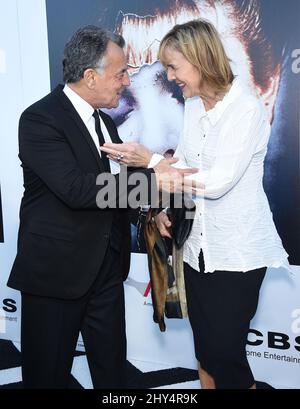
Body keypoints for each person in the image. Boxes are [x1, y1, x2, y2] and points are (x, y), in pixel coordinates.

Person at [100, 19, 290, 389]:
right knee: (205, 348)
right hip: (197, 249)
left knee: (224, 353)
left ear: (200, 59)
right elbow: (185, 167)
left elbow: (217, 182)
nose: (171, 76)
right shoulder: (192, 107)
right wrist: (167, 210)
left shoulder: (245, 108)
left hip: (237, 253)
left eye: (173, 67)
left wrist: (151, 161)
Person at [7, 25, 197, 389]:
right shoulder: (39, 119)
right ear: (90, 76)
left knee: (111, 374)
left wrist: (149, 213)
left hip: (107, 272)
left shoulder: (106, 123)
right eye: (121, 73)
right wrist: (157, 180)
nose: (126, 81)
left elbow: (114, 193)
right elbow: (78, 190)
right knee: (46, 376)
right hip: (57, 276)